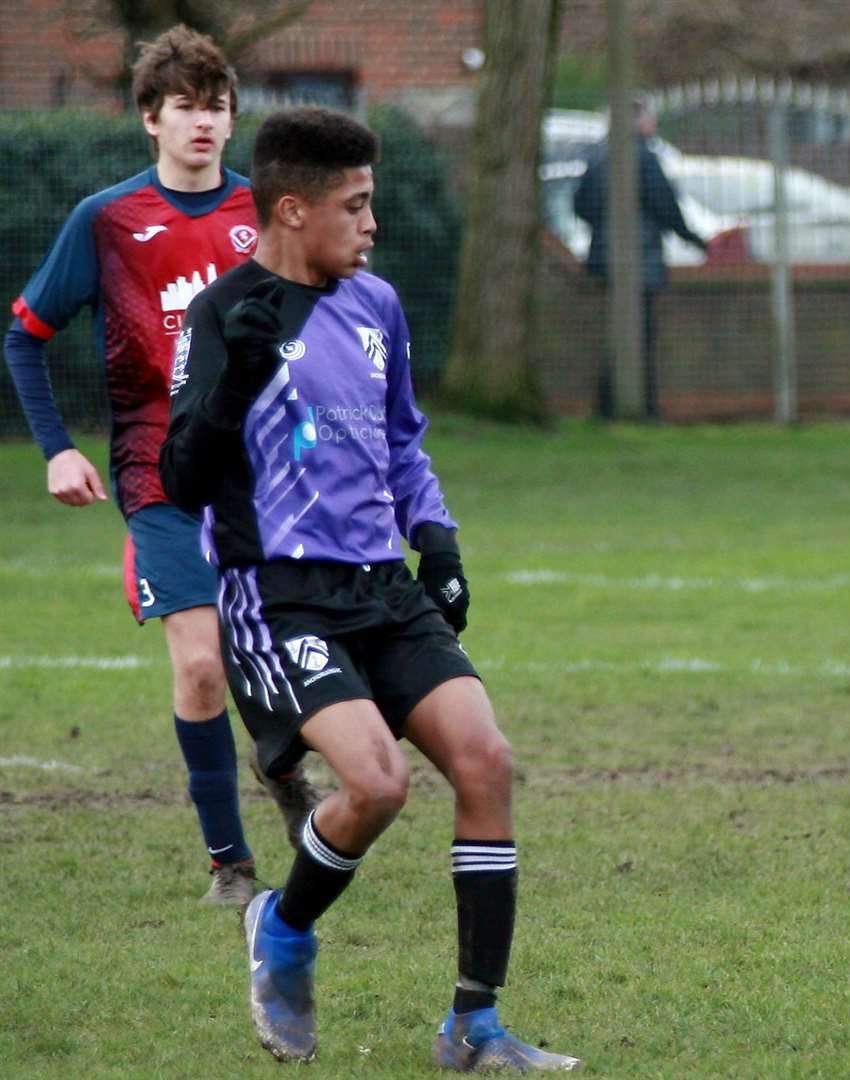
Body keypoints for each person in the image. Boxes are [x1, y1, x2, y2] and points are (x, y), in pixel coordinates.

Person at [159, 106, 579, 1071]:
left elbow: (401, 441)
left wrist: (440, 544)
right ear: (294, 210)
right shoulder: (222, 315)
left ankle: (473, 1030)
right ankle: (285, 929)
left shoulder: (375, 303)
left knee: (486, 760)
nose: (372, 223)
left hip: (384, 588)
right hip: (279, 595)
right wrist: (234, 390)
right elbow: (179, 480)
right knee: (376, 785)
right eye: (356, 205)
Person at [3, 24, 318, 906]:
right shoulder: (106, 220)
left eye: (217, 107)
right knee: (201, 665)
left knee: (285, 652)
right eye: (185, 108)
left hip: (266, 476)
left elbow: (313, 337)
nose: (204, 123)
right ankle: (230, 864)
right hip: (158, 471)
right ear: (151, 118)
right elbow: (24, 337)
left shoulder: (267, 214)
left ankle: (287, 774)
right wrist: (58, 448)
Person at [572, 96, 706, 419]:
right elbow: (664, 204)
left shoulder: (598, 155)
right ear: (638, 121)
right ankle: (640, 407)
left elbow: (581, 205)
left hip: (606, 259)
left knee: (616, 335)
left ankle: (608, 405)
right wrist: (692, 238)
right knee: (641, 337)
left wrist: (604, 230)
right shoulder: (642, 157)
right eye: (649, 118)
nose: (654, 124)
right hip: (640, 261)